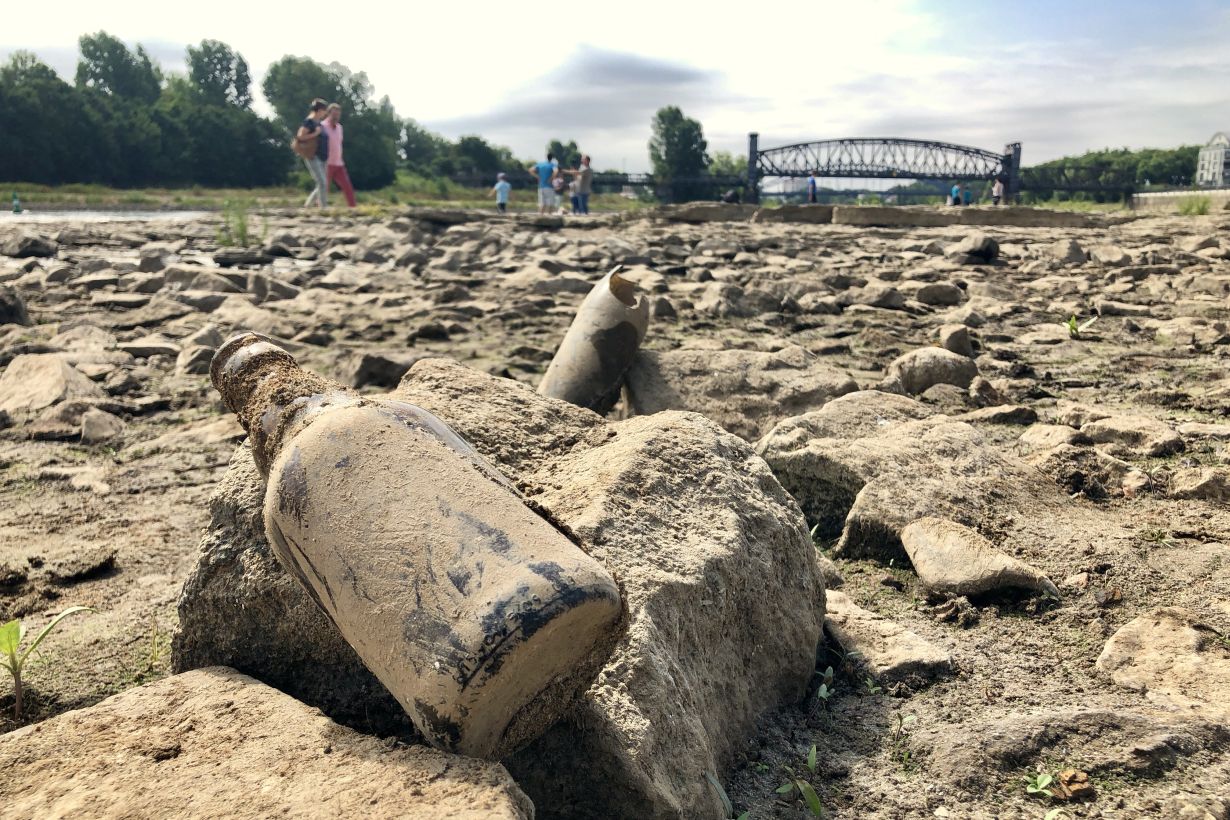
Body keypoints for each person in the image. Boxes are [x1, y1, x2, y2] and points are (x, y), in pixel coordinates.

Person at [295, 99, 330, 208]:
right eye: (325, 111)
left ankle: (308, 205)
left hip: (322, 157)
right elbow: (300, 137)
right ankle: (323, 208)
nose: (325, 114)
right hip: (313, 156)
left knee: (322, 183)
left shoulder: (318, 123)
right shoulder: (309, 122)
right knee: (322, 183)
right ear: (320, 110)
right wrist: (315, 134)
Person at [321, 103, 356, 208]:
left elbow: (338, 144)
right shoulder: (322, 126)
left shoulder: (340, 128)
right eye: (334, 114)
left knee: (347, 187)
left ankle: (353, 208)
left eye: (338, 114)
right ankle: (321, 208)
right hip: (327, 162)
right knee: (324, 187)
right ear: (328, 113)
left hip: (339, 163)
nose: (336, 116)